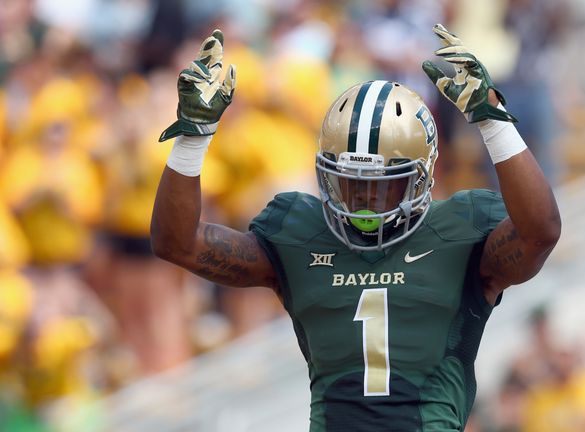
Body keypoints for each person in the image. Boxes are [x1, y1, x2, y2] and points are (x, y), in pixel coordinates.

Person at [151, 25, 560, 431]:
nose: (365, 198)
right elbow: (177, 243)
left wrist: (492, 122)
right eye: (352, 182)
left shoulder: (461, 233)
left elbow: (541, 231)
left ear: (420, 176)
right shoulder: (298, 233)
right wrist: (193, 137)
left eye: (383, 185)